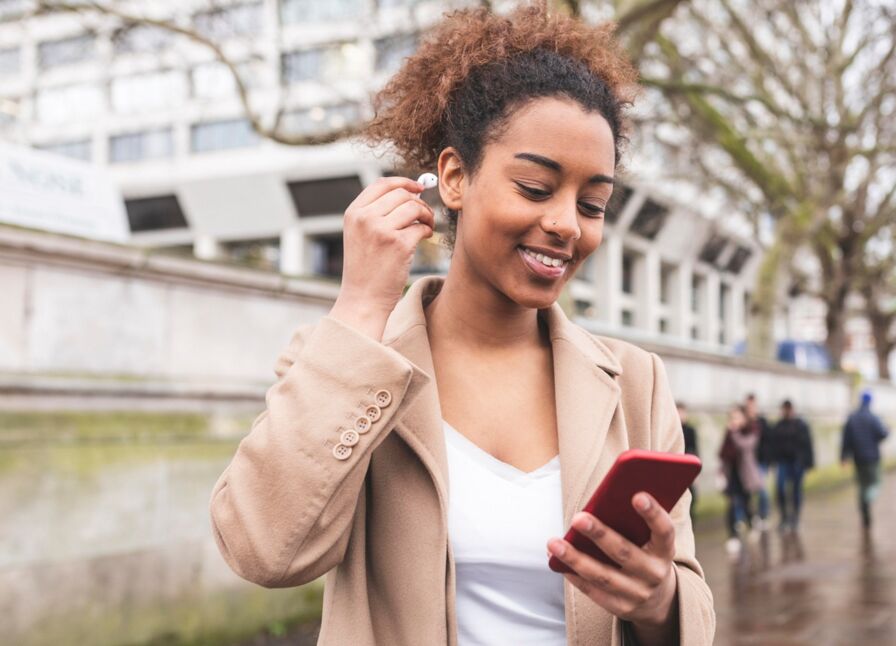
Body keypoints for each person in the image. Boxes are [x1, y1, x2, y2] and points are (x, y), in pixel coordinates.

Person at [208, 5, 715, 645]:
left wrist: (660, 598)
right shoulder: (344, 360)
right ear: (454, 177)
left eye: (592, 204)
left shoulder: (635, 381)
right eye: (535, 187)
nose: (567, 223)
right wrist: (362, 306)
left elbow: (692, 610)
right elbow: (264, 551)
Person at [840, 390, 889, 531]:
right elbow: (882, 434)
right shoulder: (873, 418)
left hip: (858, 458)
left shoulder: (852, 418)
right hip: (872, 458)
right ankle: (868, 500)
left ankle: (864, 513)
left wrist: (843, 457)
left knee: (861, 486)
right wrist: (888, 430)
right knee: (875, 484)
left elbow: (845, 439)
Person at [719, 406, 762, 555]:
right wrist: (720, 473)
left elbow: (745, 446)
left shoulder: (751, 430)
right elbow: (722, 454)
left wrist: (734, 432)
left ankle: (752, 524)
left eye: (737, 417)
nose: (734, 421)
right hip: (732, 476)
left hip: (746, 476)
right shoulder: (729, 434)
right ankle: (733, 537)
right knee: (731, 505)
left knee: (746, 504)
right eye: (732, 418)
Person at [773, 399, 815, 532]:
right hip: (783, 463)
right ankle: (784, 518)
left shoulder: (801, 425)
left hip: (797, 463)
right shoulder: (779, 426)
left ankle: (795, 518)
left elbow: (808, 444)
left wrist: (808, 463)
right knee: (780, 489)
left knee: (796, 491)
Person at [744, 393, 774, 528]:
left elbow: (769, 442)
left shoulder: (762, 422)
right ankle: (751, 517)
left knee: (762, 491)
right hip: (747, 463)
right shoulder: (744, 422)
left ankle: (764, 515)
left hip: (760, 461)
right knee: (748, 493)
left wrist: (768, 461)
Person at [677, 402, 700, 516]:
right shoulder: (673, 430)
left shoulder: (690, 431)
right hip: (676, 467)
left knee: (691, 497)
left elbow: (695, 450)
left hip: (688, 467)